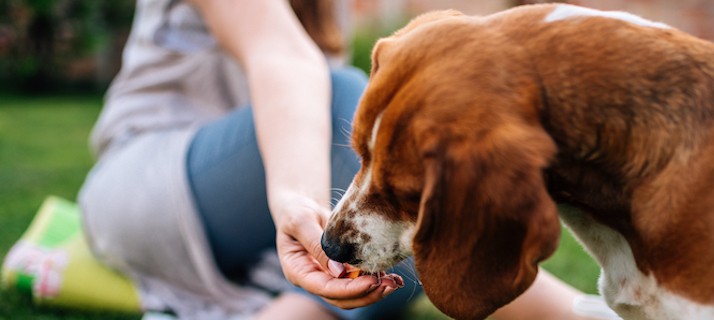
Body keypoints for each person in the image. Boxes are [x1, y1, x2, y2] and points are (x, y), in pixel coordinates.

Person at [78, 0, 618, 319]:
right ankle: (578, 314)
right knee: (347, 100)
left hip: (263, 213)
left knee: (386, 268)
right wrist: (300, 201)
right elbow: (283, 55)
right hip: (151, 183)